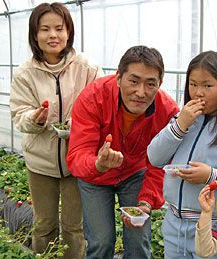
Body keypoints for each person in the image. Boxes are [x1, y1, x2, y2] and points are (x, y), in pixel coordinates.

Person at [66, 45, 180, 259]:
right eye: (133, 81)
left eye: (150, 84)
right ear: (118, 78)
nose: (140, 92)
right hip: (95, 178)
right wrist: (98, 164)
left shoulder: (167, 112)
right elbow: (78, 153)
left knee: (139, 242)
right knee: (101, 242)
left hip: (136, 174)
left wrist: (147, 201)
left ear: (160, 84)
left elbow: (162, 163)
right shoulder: (94, 97)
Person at [9, 2, 104, 258]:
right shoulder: (25, 73)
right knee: (44, 225)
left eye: (59, 28)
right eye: (45, 29)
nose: (53, 35)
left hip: (78, 162)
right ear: (35, 34)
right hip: (40, 163)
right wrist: (36, 118)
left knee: (74, 227)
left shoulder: (88, 68)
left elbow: (102, 109)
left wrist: (80, 125)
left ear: (68, 31)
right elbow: (19, 115)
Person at [147, 50, 217, 258]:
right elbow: (154, 157)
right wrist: (179, 126)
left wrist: (211, 176)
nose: (198, 92)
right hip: (174, 225)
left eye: (207, 85)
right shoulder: (183, 119)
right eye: (193, 84)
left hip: (213, 228)